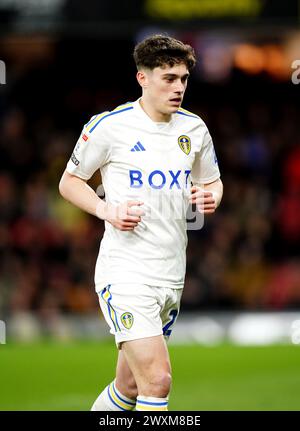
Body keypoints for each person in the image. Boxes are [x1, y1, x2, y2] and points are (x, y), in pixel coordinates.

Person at [59, 34, 223, 412]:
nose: (179, 87)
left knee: (129, 385)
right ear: (142, 78)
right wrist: (107, 211)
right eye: (169, 78)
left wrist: (211, 195)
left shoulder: (194, 129)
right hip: (127, 272)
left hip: (171, 274)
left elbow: (211, 181)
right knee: (157, 380)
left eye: (183, 78)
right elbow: (69, 182)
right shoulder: (109, 126)